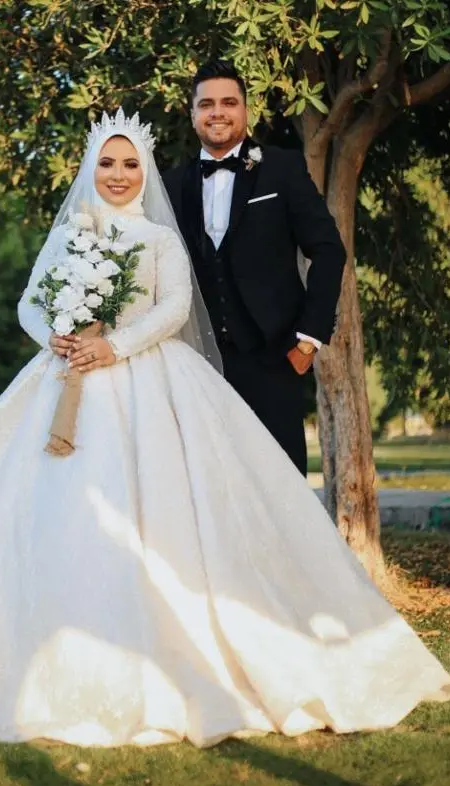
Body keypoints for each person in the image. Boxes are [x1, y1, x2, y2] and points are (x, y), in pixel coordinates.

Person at [0, 110, 450, 748]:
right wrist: (56, 338)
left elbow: (174, 308)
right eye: (107, 163)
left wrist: (114, 346)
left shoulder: (159, 238)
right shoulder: (68, 235)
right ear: (91, 168)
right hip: (63, 379)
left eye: (129, 164)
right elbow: (30, 303)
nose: (118, 174)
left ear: (144, 172)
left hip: (147, 380)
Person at [164, 60, 346, 475]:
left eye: (229, 102)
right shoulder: (171, 184)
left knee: (280, 482)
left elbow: (328, 250)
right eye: (206, 104)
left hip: (275, 359)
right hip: (197, 364)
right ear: (192, 114)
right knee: (210, 482)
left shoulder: (282, 168)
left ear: (246, 110)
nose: (218, 112)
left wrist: (308, 341)